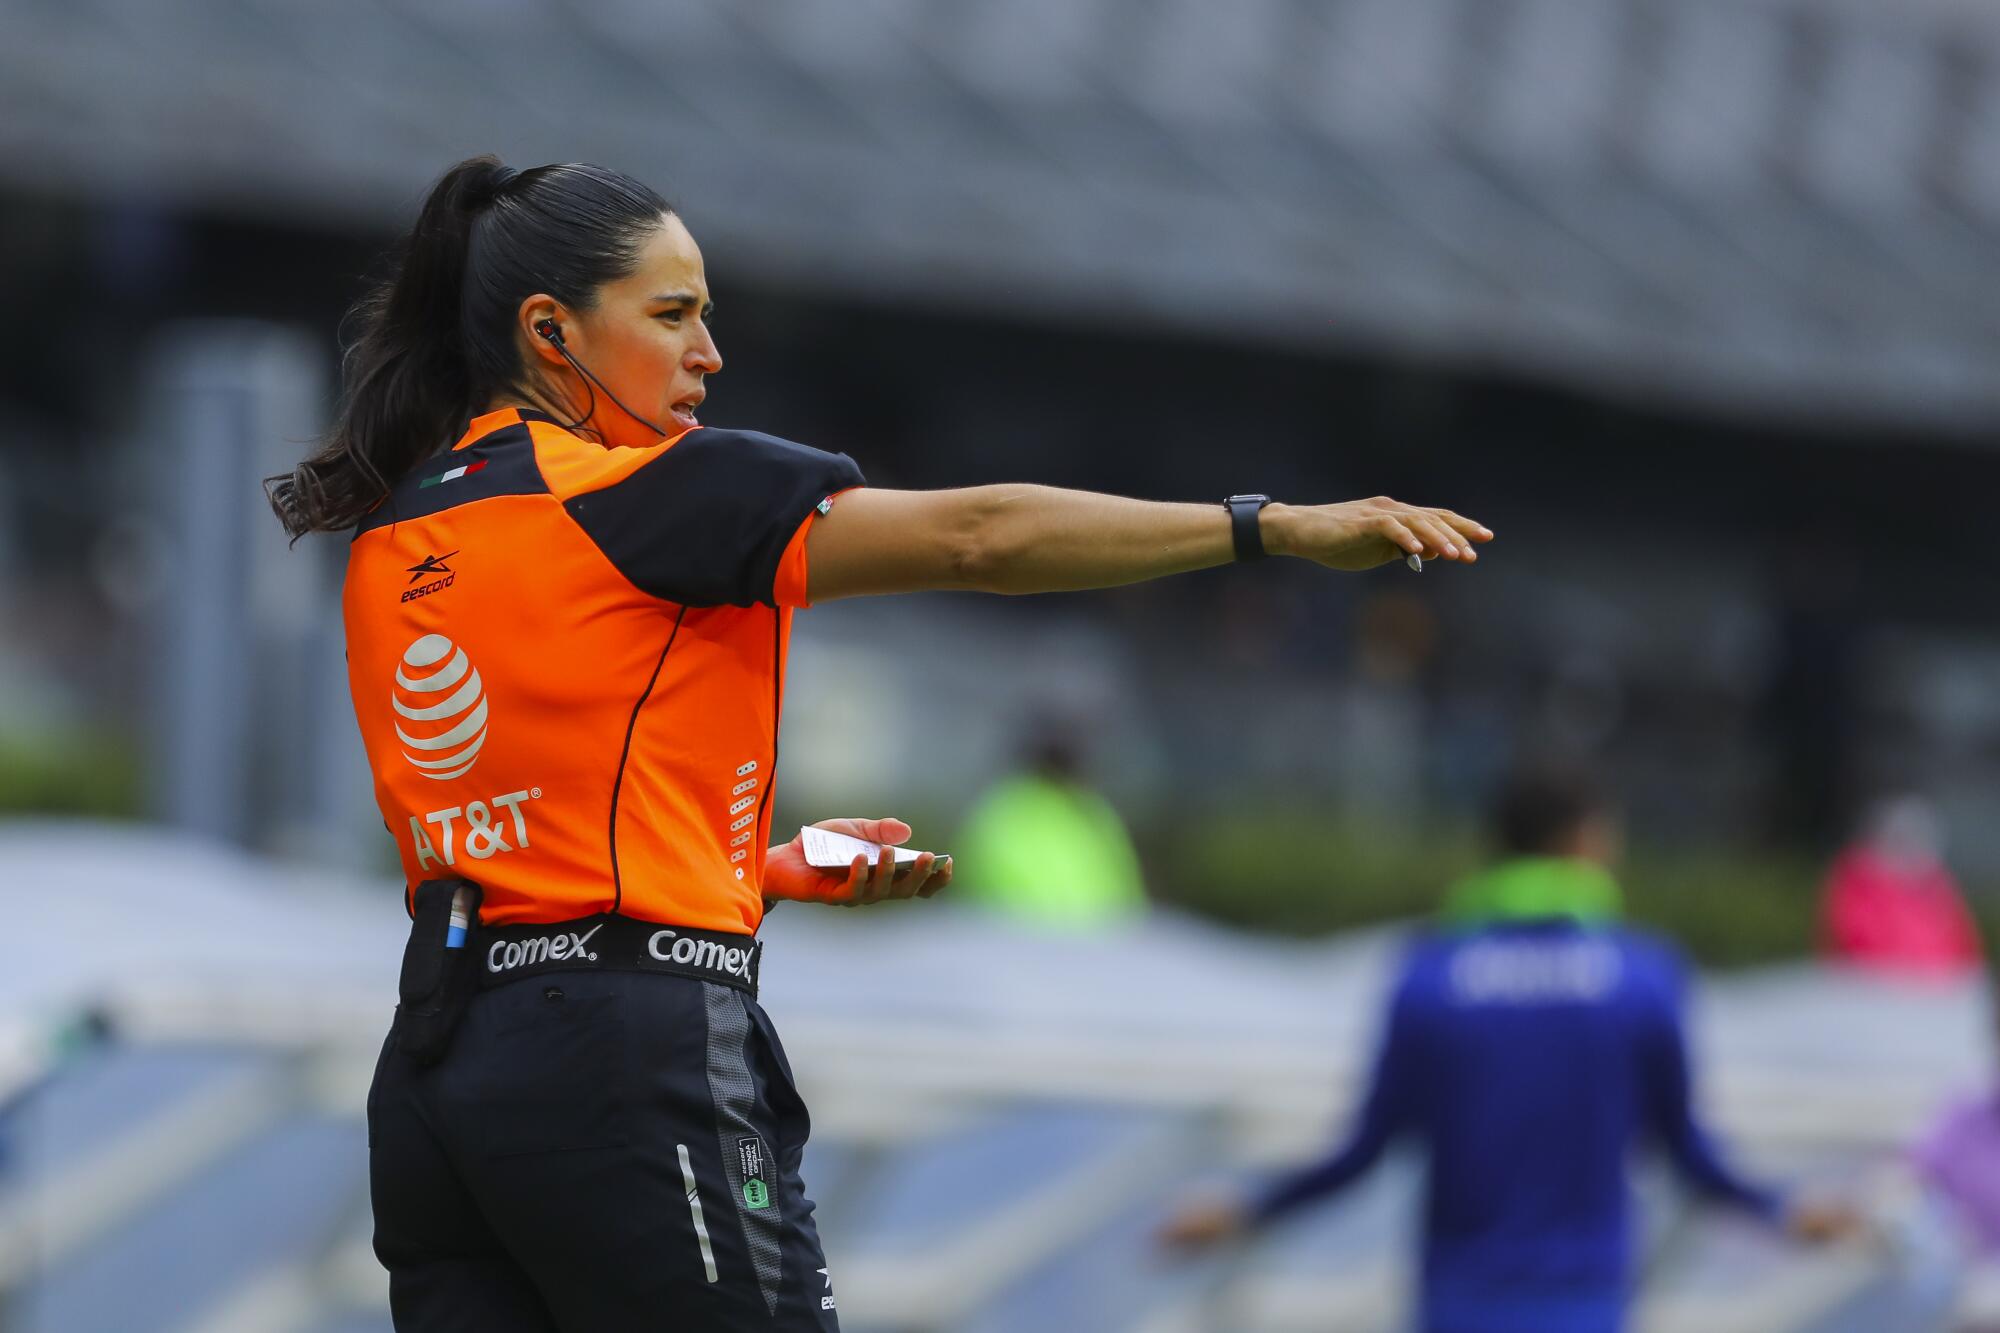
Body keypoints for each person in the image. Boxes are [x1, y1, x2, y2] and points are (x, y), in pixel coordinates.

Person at [265, 155, 1493, 1332]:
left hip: (438, 1075)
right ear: (552, 332)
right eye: (674, 313)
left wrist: (767, 871)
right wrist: (1270, 527)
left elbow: (533, 845)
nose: (710, 354)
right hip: (625, 1061)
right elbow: (979, 538)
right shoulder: (651, 490)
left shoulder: (394, 534)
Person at [1159, 763, 1854, 1333]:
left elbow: (1361, 1151)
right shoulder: (1643, 976)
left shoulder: (1430, 976)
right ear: (1587, 843)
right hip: (1583, 1303)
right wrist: (1785, 1208)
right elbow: (1691, 1155)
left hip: (1458, 1303)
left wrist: (1245, 1208)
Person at [954, 709, 1147, 928]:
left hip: (1079, 953)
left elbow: (1125, 900)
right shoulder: (1010, 813)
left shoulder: (1091, 811)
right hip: (1028, 953)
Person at [1820, 795, 1982, 980]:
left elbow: (1965, 949)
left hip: (1938, 994)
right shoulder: (1860, 883)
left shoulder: (1938, 887)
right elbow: (1857, 944)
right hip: (1877, 993)